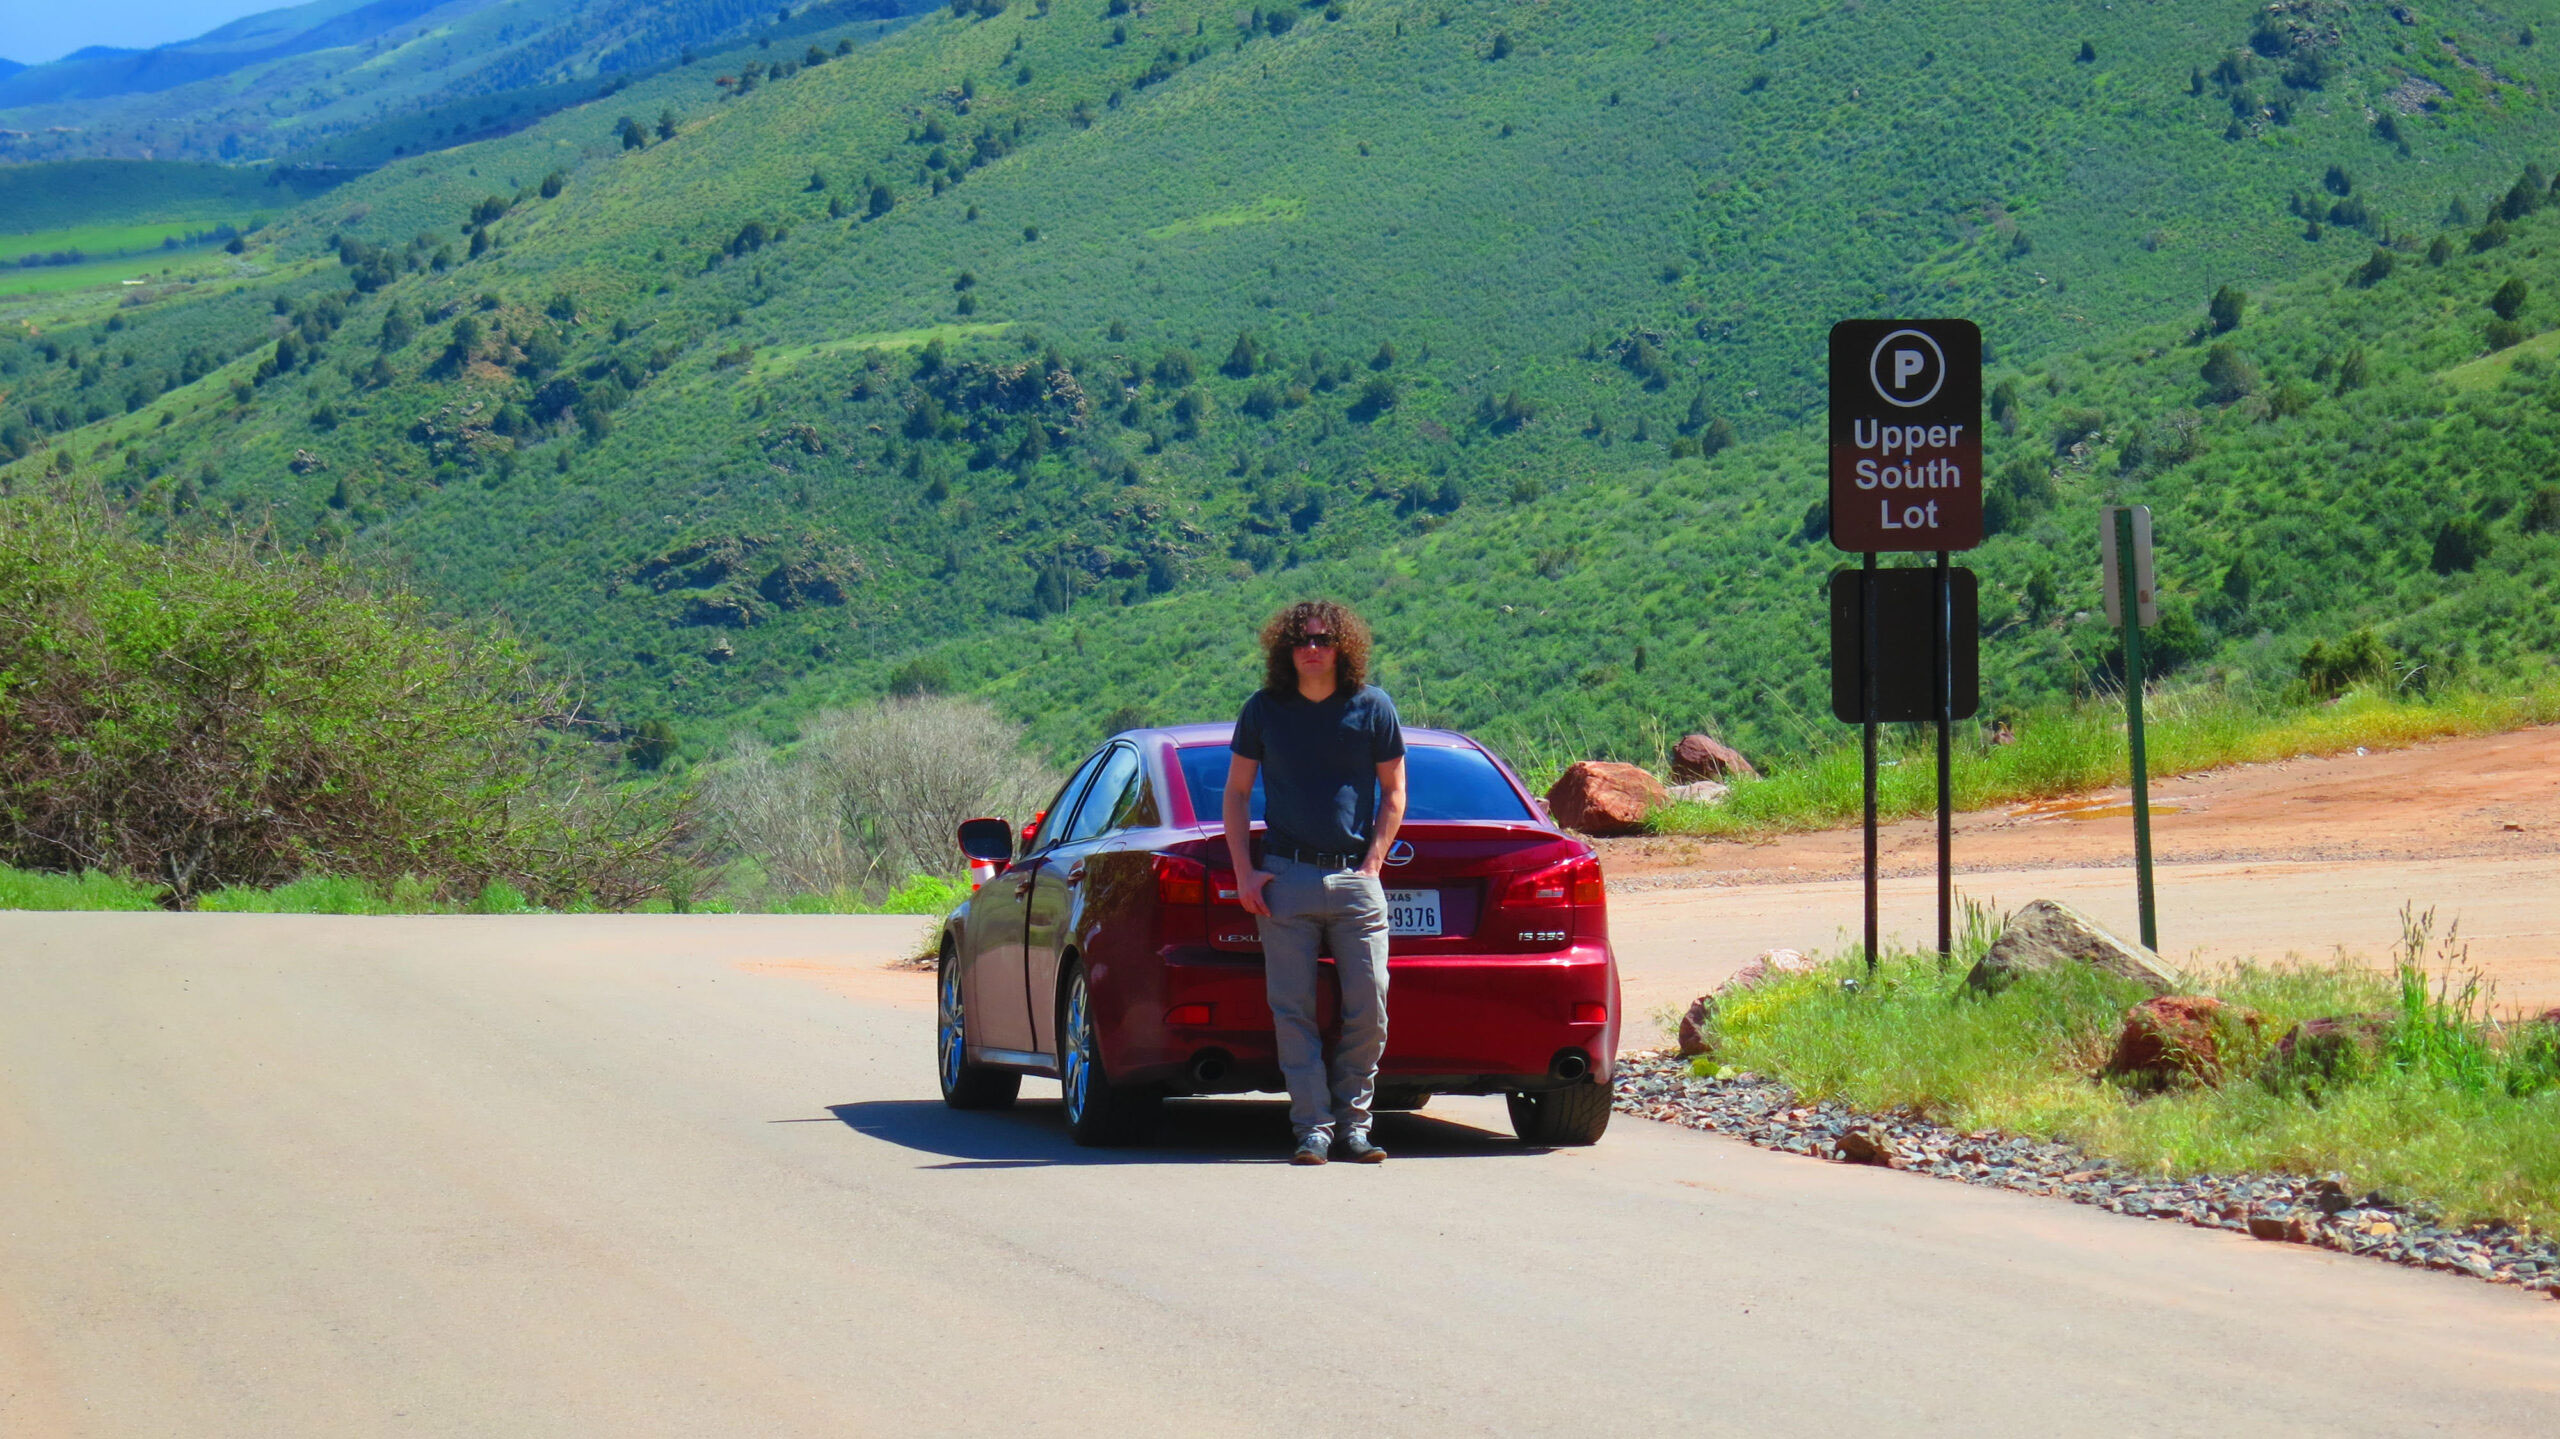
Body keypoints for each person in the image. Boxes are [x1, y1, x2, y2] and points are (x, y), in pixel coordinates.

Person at [1223, 600, 1407, 1166]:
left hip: (1355, 879)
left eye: (1323, 640)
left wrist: (1373, 863)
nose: (1312, 649)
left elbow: (1395, 793)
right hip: (1286, 877)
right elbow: (1235, 794)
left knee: (1369, 1005)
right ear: (1285, 650)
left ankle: (1356, 1126)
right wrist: (1245, 872)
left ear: (1341, 646)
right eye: (1301, 641)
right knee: (1292, 1010)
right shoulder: (1263, 710)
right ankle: (1313, 1130)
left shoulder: (1372, 707)